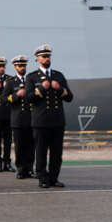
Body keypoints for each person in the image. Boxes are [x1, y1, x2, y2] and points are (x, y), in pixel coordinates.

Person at [26, 44, 73, 188]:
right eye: (44, 56)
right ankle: (42, 178)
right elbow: (28, 97)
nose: (47, 58)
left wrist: (60, 89)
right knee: (41, 151)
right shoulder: (32, 77)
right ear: (38, 59)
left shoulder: (58, 76)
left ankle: (54, 178)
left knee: (56, 153)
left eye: (48, 56)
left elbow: (69, 97)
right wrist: (41, 88)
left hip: (57, 120)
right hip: (41, 121)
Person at [3, 55, 34, 179]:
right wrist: (16, 95)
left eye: (24, 65)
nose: (22, 67)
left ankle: (30, 169)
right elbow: (5, 99)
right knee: (19, 146)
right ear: (15, 67)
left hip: (31, 117)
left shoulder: (31, 79)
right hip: (18, 118)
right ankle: (21, 169)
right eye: (19, 66)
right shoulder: (11, 82)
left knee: (31, 146)